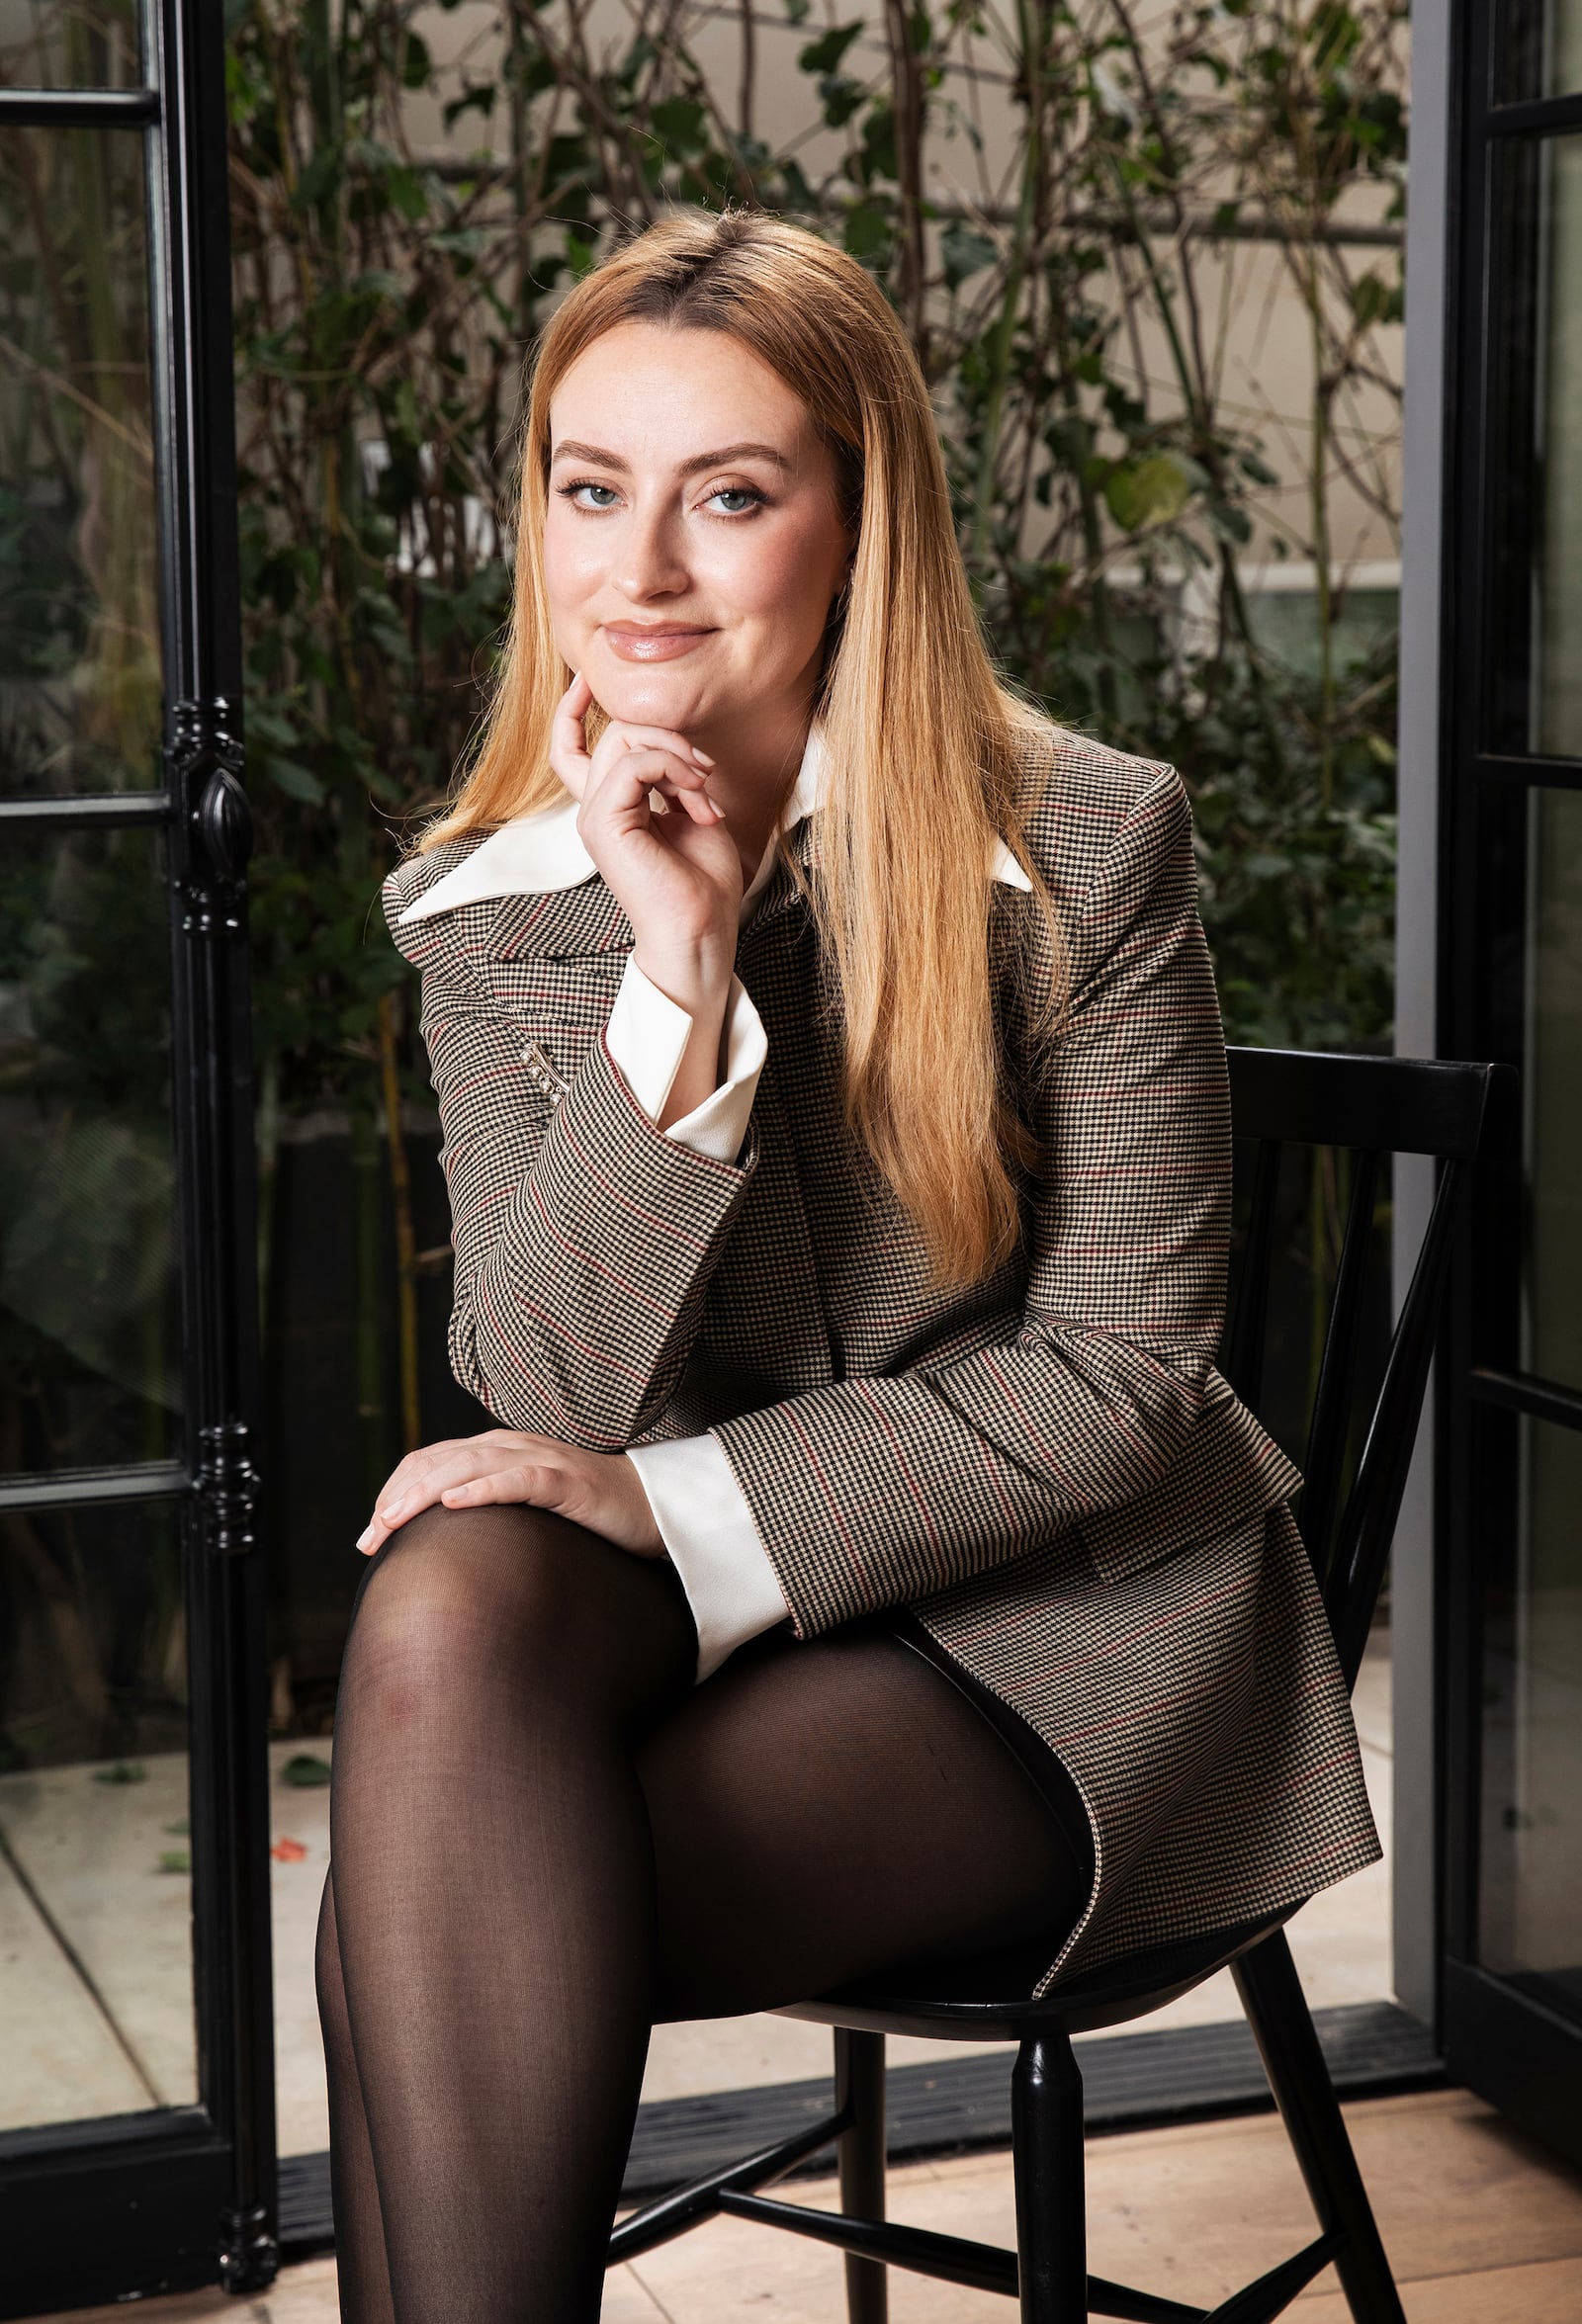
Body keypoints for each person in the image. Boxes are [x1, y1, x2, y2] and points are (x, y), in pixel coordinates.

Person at [315, 209, 1378, 2324]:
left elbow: (1123, 1379)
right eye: (587, 490)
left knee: (429, 1906)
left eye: (727, 497)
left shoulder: (1083, 845)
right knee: (450, 1605)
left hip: (1065, 1634)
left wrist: (663, 1505)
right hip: (733, 1630)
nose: (635, 574)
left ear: (855, 518)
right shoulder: (493, 906)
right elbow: (548, 1378)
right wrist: (673, 978)